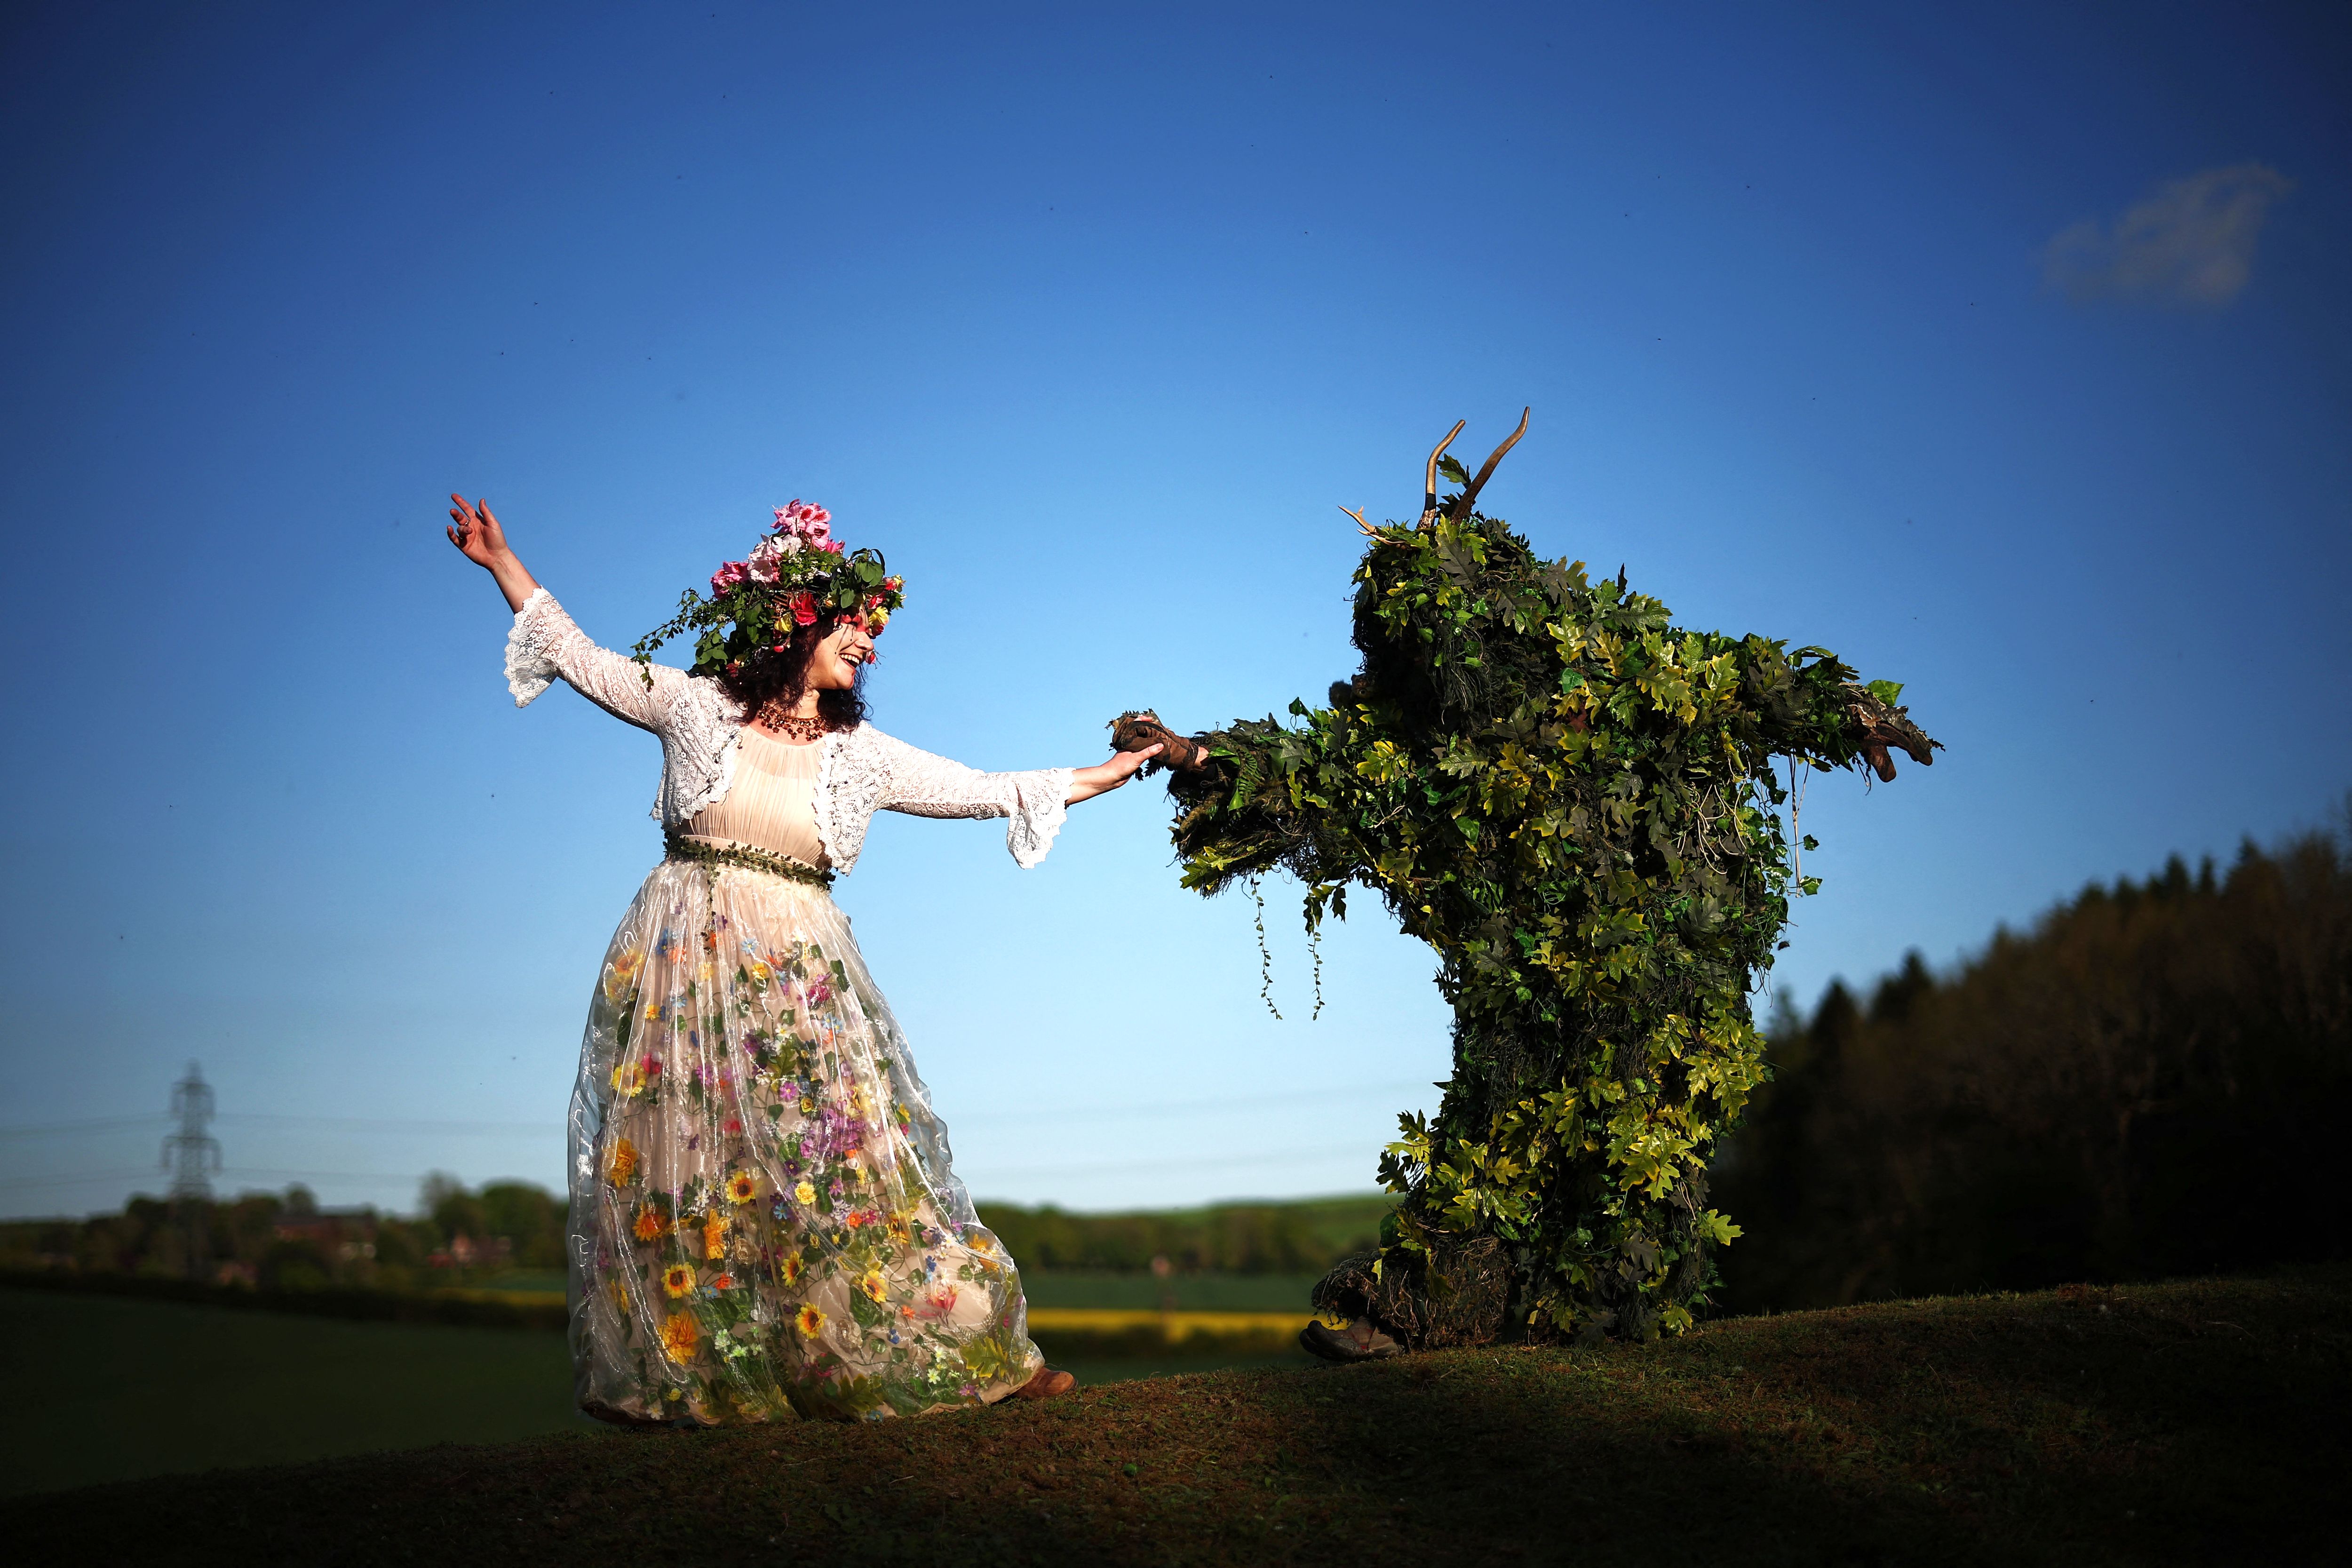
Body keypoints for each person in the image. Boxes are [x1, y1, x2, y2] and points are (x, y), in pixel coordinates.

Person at [446, 493, 1160, 1422]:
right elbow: (581, 656)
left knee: (842, 1162)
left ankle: (940, 1356)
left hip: (797, 977)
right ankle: (682, 1376)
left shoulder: (860, 753)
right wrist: (502, 561)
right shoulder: (695, 704)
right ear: (794, 620)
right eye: (851, 624)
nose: (867, 642)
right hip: (686, 966)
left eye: (873, 630)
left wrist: (1107, 773)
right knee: (685, 1163)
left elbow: (984, 788)